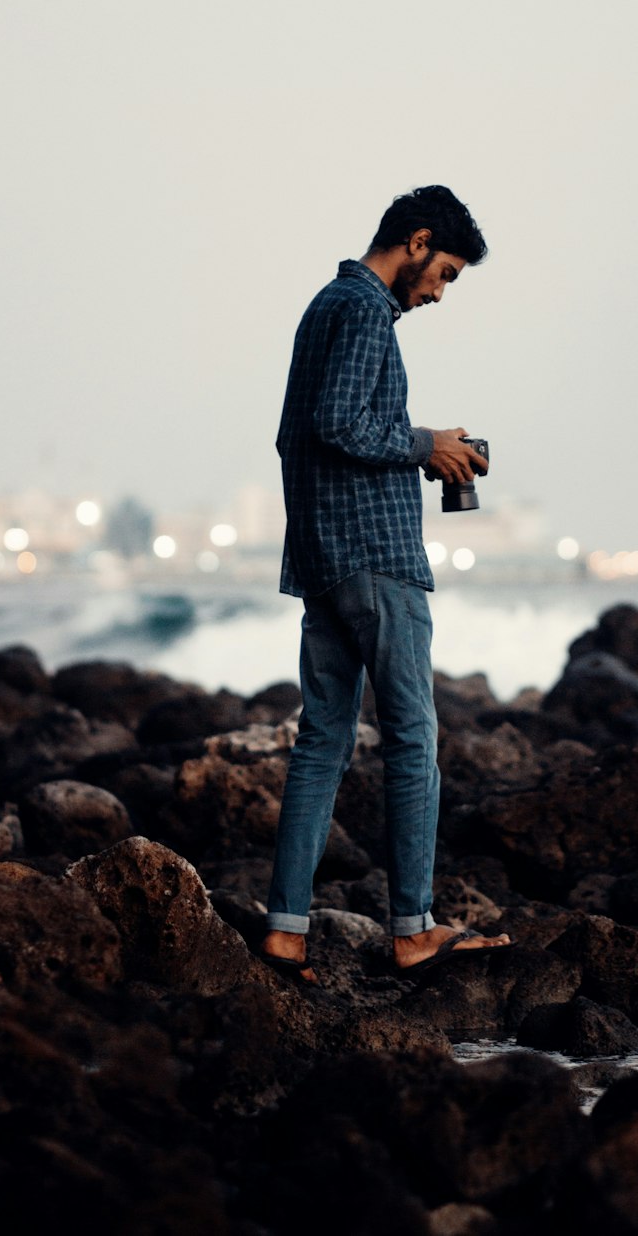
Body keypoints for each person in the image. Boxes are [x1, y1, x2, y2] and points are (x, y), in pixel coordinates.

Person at [262, 185, 513, 983]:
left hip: (322, 556)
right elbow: (340, 425)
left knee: (323, 742)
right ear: (415, 241)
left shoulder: (325, 305)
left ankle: (285, 932)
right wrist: (426, 444)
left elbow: (295, 435)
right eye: (443, 272)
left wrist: (417, 444)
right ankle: (412, 929)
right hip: (375, 557)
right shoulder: (365, 308)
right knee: (412, 739)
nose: (439, 291)